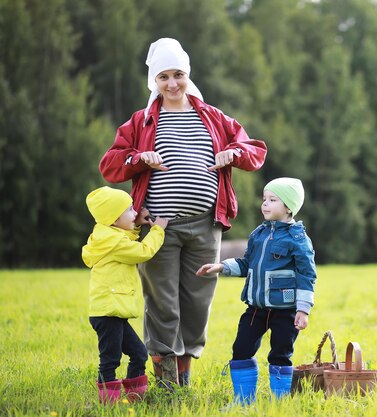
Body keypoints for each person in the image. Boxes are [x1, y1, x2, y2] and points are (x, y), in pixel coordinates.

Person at [99, 38, 267, 388]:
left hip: (207, 226)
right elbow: (109, 166)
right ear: (154, 82)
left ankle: (184, 380)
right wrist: (137, 158)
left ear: (188, 75)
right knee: (163, 304)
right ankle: (165, 384)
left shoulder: (214, 117)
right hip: (158, 228)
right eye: (164, 77)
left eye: (179, 74)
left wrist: (234, 152)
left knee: (197, 304)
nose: (173, 84)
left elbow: (255, 151)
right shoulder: (141, 122)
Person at [196, 177, 316, 404]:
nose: (265, 204)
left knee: (280, 354)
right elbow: (246, 264)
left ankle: (280, 402)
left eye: (273, 200)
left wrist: (303, 309)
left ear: (289, 207)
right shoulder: (258, 234)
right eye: (264, 199)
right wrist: (221, 266)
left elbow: (307, 275)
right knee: (241, 349)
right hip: (256, 308)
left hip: (286, 310)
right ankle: (243, 401)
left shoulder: (298, 239)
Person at [82, 186, 168, 404]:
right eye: (129, 209)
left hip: (112, 311)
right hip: (108, 313)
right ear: (113, 219)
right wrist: (158, 230)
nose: (135, 212)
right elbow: (142, 252)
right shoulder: (114, 242)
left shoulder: (109, 236)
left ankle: (135, 398)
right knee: (110, 360)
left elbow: (125, 239)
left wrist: (135, 223)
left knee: (138, 353)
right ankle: (108, 402)